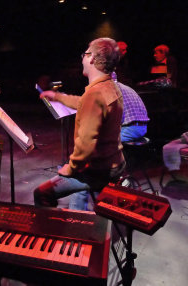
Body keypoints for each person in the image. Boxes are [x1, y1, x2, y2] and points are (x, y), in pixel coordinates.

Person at [34, 37, 126, 211]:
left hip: (99, 171)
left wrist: (72, 168)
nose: (82, 59)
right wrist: (58, 97)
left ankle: (51, 234)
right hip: (115, 163)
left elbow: (85, 145)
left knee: (42, 193)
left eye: (84, 54)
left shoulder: (95, 94)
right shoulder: (109, 86)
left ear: (91, 58)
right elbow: (84, 104)